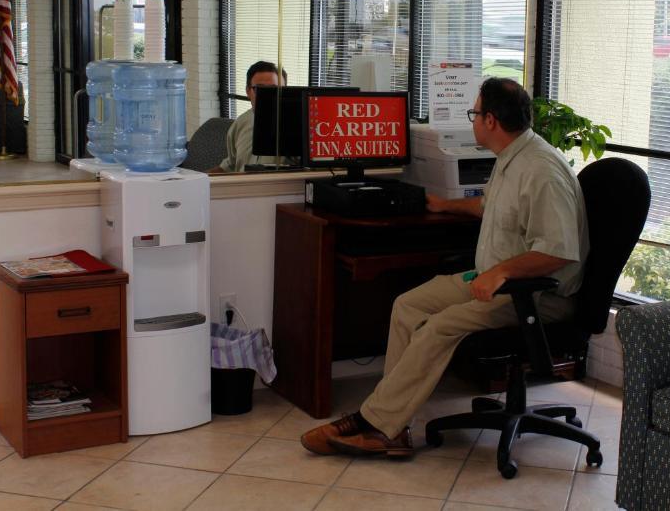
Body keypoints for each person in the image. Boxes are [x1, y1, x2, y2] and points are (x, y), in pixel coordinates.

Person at [300, 77, 589, 457]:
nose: (473, 120)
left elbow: (560, 252)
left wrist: (501, 273)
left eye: (474, 114)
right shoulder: (512, 157)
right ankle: (394, 424)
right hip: (493, 279)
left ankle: (378, 425)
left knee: (439, 326)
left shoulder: (541, 170)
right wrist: (444, 205)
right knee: (409, 305)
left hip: (536, 295)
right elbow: (489, 207)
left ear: (490, 121)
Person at [209, 60, 293, 173]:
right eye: (259, 89)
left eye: (274, 89)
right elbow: (230, 165)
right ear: (248, 91)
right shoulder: (240, 123)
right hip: (242, 184)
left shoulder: (296, 127)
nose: (267, 95)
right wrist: (196, 178)